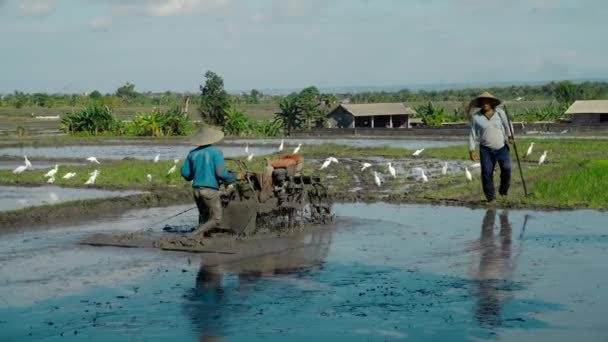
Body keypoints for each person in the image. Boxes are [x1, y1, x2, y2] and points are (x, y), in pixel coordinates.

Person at [181, 126, 236, 237]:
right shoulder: (216, 152)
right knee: (216, 219)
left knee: (204, 216)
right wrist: (232, 177)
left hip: (196, 190)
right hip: (209, 191)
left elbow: (187, 175)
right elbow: (221, 173)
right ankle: (192, 235)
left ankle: (201, 238)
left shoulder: (192, 154)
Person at [468, 92, 513, 203]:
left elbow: (507, 125)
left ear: (492, 102)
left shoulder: (500, 113)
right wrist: (471, 149)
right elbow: (473, 133)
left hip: (501, 147)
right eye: (483, 101)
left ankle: (503, 191)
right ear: (480, 103)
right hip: (485, 150)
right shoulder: (476, 117)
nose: (485, 103)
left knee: (506, 168)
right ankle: (490, 198)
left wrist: (510, 136)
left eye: (487, 101)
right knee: (487, 173)